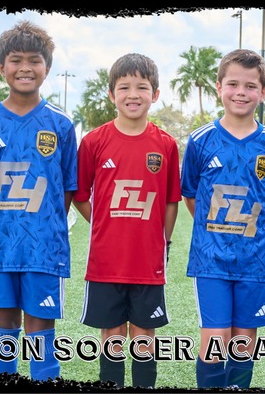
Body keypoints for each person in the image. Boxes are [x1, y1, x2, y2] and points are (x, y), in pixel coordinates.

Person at [0, 21, 76, 381]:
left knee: (41, 332)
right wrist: (6, 219)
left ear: (47, 67)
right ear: (2, 67)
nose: (25, 68)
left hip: (44, 248)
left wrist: (41, 223)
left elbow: (66, 190)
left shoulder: (61, 124)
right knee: (3, 331)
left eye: (34, 60)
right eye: (16, 60)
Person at [73, 53, 180, 389]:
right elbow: (80, 195)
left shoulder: (165, 144)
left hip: (147, 260)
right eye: (124, 87)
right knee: (112, 332)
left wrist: (163, 242)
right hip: (106, 261)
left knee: (145, 333)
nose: (133, 94)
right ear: (111, 94)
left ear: (155, 94)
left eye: (142, 87)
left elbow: (171, 201)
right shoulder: (94, 141)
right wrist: (103, 224)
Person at [181, 49, 265, 389]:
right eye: (233, 84)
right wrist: (215, 232)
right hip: (211, 260)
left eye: (251, 86)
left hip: (254, 260)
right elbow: (191, 196)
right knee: (216, 339)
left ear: (263, 92)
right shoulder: (200, 140)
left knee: (243, 341)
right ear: (219, 87)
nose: (241, 92)